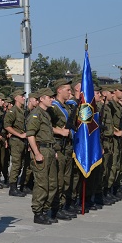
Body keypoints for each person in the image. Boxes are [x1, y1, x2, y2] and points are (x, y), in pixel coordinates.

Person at [26, 88, 57, 225]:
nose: (52, 99)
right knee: (42, 184)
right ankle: (38, 212)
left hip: (49, 150)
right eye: (50, 97)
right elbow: (30, 135)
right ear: (42, 98)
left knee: (52, 183)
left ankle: (45, 210)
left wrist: (53, 150)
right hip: (41, 150)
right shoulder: (36, 114)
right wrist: (37, 153)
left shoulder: (46, 114)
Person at [48, 79, 77, 221]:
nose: (70, 92)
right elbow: (46, 126)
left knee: (66, 179)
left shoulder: (68, 107)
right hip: (58, 146)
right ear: (59, 90)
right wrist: (60, 131)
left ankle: (63, 206)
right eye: (68, 90)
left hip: (68, 147)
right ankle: (55, 208)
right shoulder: (53, 108)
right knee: (58, 181)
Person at [3, 89, 27, 197]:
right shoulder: (13, 111)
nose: (24, 98)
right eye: (21, 96)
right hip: (16, 140)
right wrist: (19, 134)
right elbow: (7, 126)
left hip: (22, 141)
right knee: (16, 164)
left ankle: (16, 185)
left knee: (20, 164)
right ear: (16, 98)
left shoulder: (22, 110)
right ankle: (12, 188)